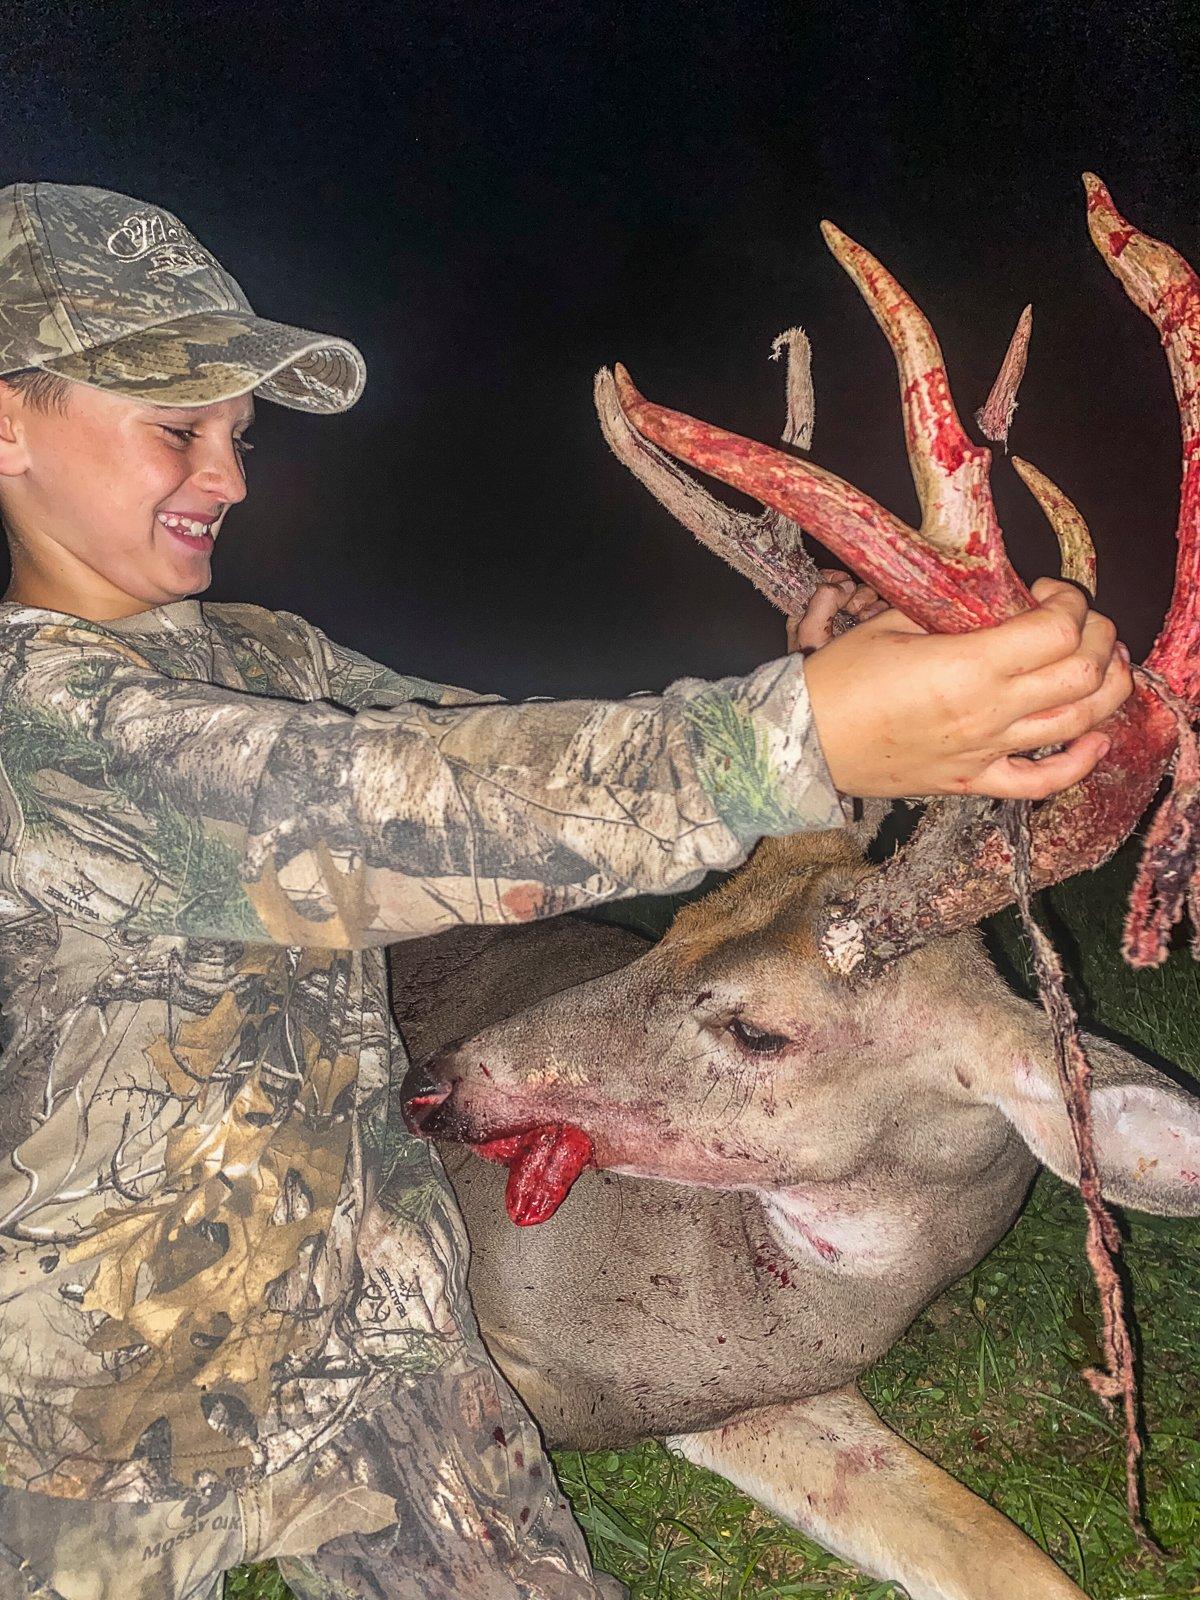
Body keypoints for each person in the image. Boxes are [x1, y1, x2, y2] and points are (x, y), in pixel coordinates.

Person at [0, 182, 1130, 1600]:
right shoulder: (34, 719)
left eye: (243, 432)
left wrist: (813, 680)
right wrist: (801, 736)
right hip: (105, 1395)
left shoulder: (262, 657)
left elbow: (497, 743)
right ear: (9, 423)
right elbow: (412, 814)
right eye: (179, 426)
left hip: (374, 1337)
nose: (230, 475)